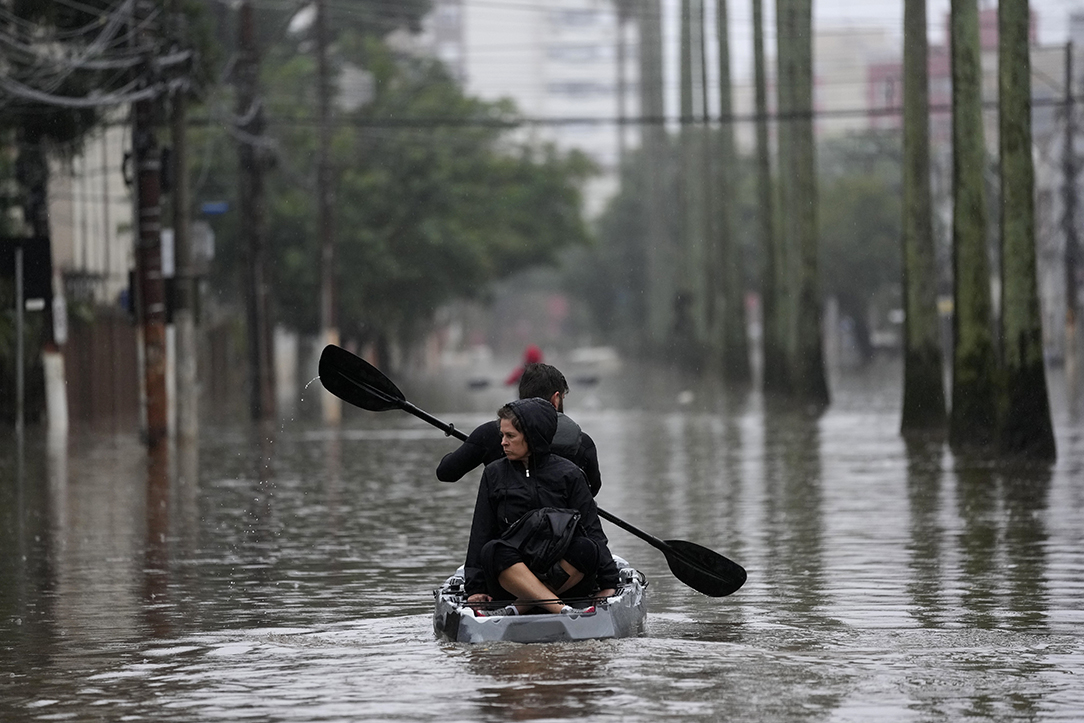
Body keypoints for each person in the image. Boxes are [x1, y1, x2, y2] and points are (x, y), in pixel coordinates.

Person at [464, 398, 618, 616]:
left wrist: (609, 582)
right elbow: (480, 531)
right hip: (513, 575)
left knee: (586, 547)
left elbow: (593, 529)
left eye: (510, 436)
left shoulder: (570, 474)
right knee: (492, 550)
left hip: (563, 573)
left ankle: (519, 607)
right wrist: (475, 588)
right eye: (502, 435)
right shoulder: (493, 474)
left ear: (532, 437)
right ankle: (561, 609)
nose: (503, 443)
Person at [436, 362, 603, 496]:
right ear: (556, 399)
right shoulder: (583, 442)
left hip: (507, 534)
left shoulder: (489, 435)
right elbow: (592, 490)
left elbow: (446, 472)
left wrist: (474, 446)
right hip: (563, 533)